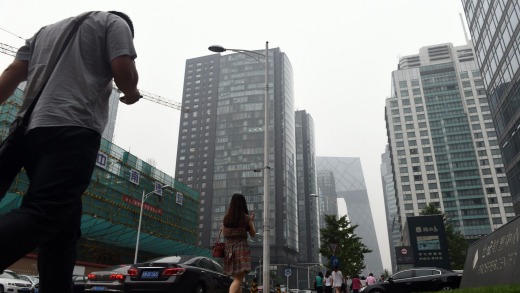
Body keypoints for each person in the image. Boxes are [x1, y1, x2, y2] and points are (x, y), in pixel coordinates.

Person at [0, 11, 140, 293]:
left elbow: (13, 73)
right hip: (72, 128)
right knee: (47, 210)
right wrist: (132, 91)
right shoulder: (114, 23)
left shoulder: (43, 31)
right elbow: (122, 66)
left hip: (27, 130)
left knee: (64, 228)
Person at [222, 193, 256, 293]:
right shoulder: (246, 218)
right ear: (243, 204)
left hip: (229, 250)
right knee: (238, 279)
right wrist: (251, 222)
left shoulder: (226, 218)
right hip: (241, 248)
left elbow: (224, 234)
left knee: (236, 279)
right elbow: (253, 234)